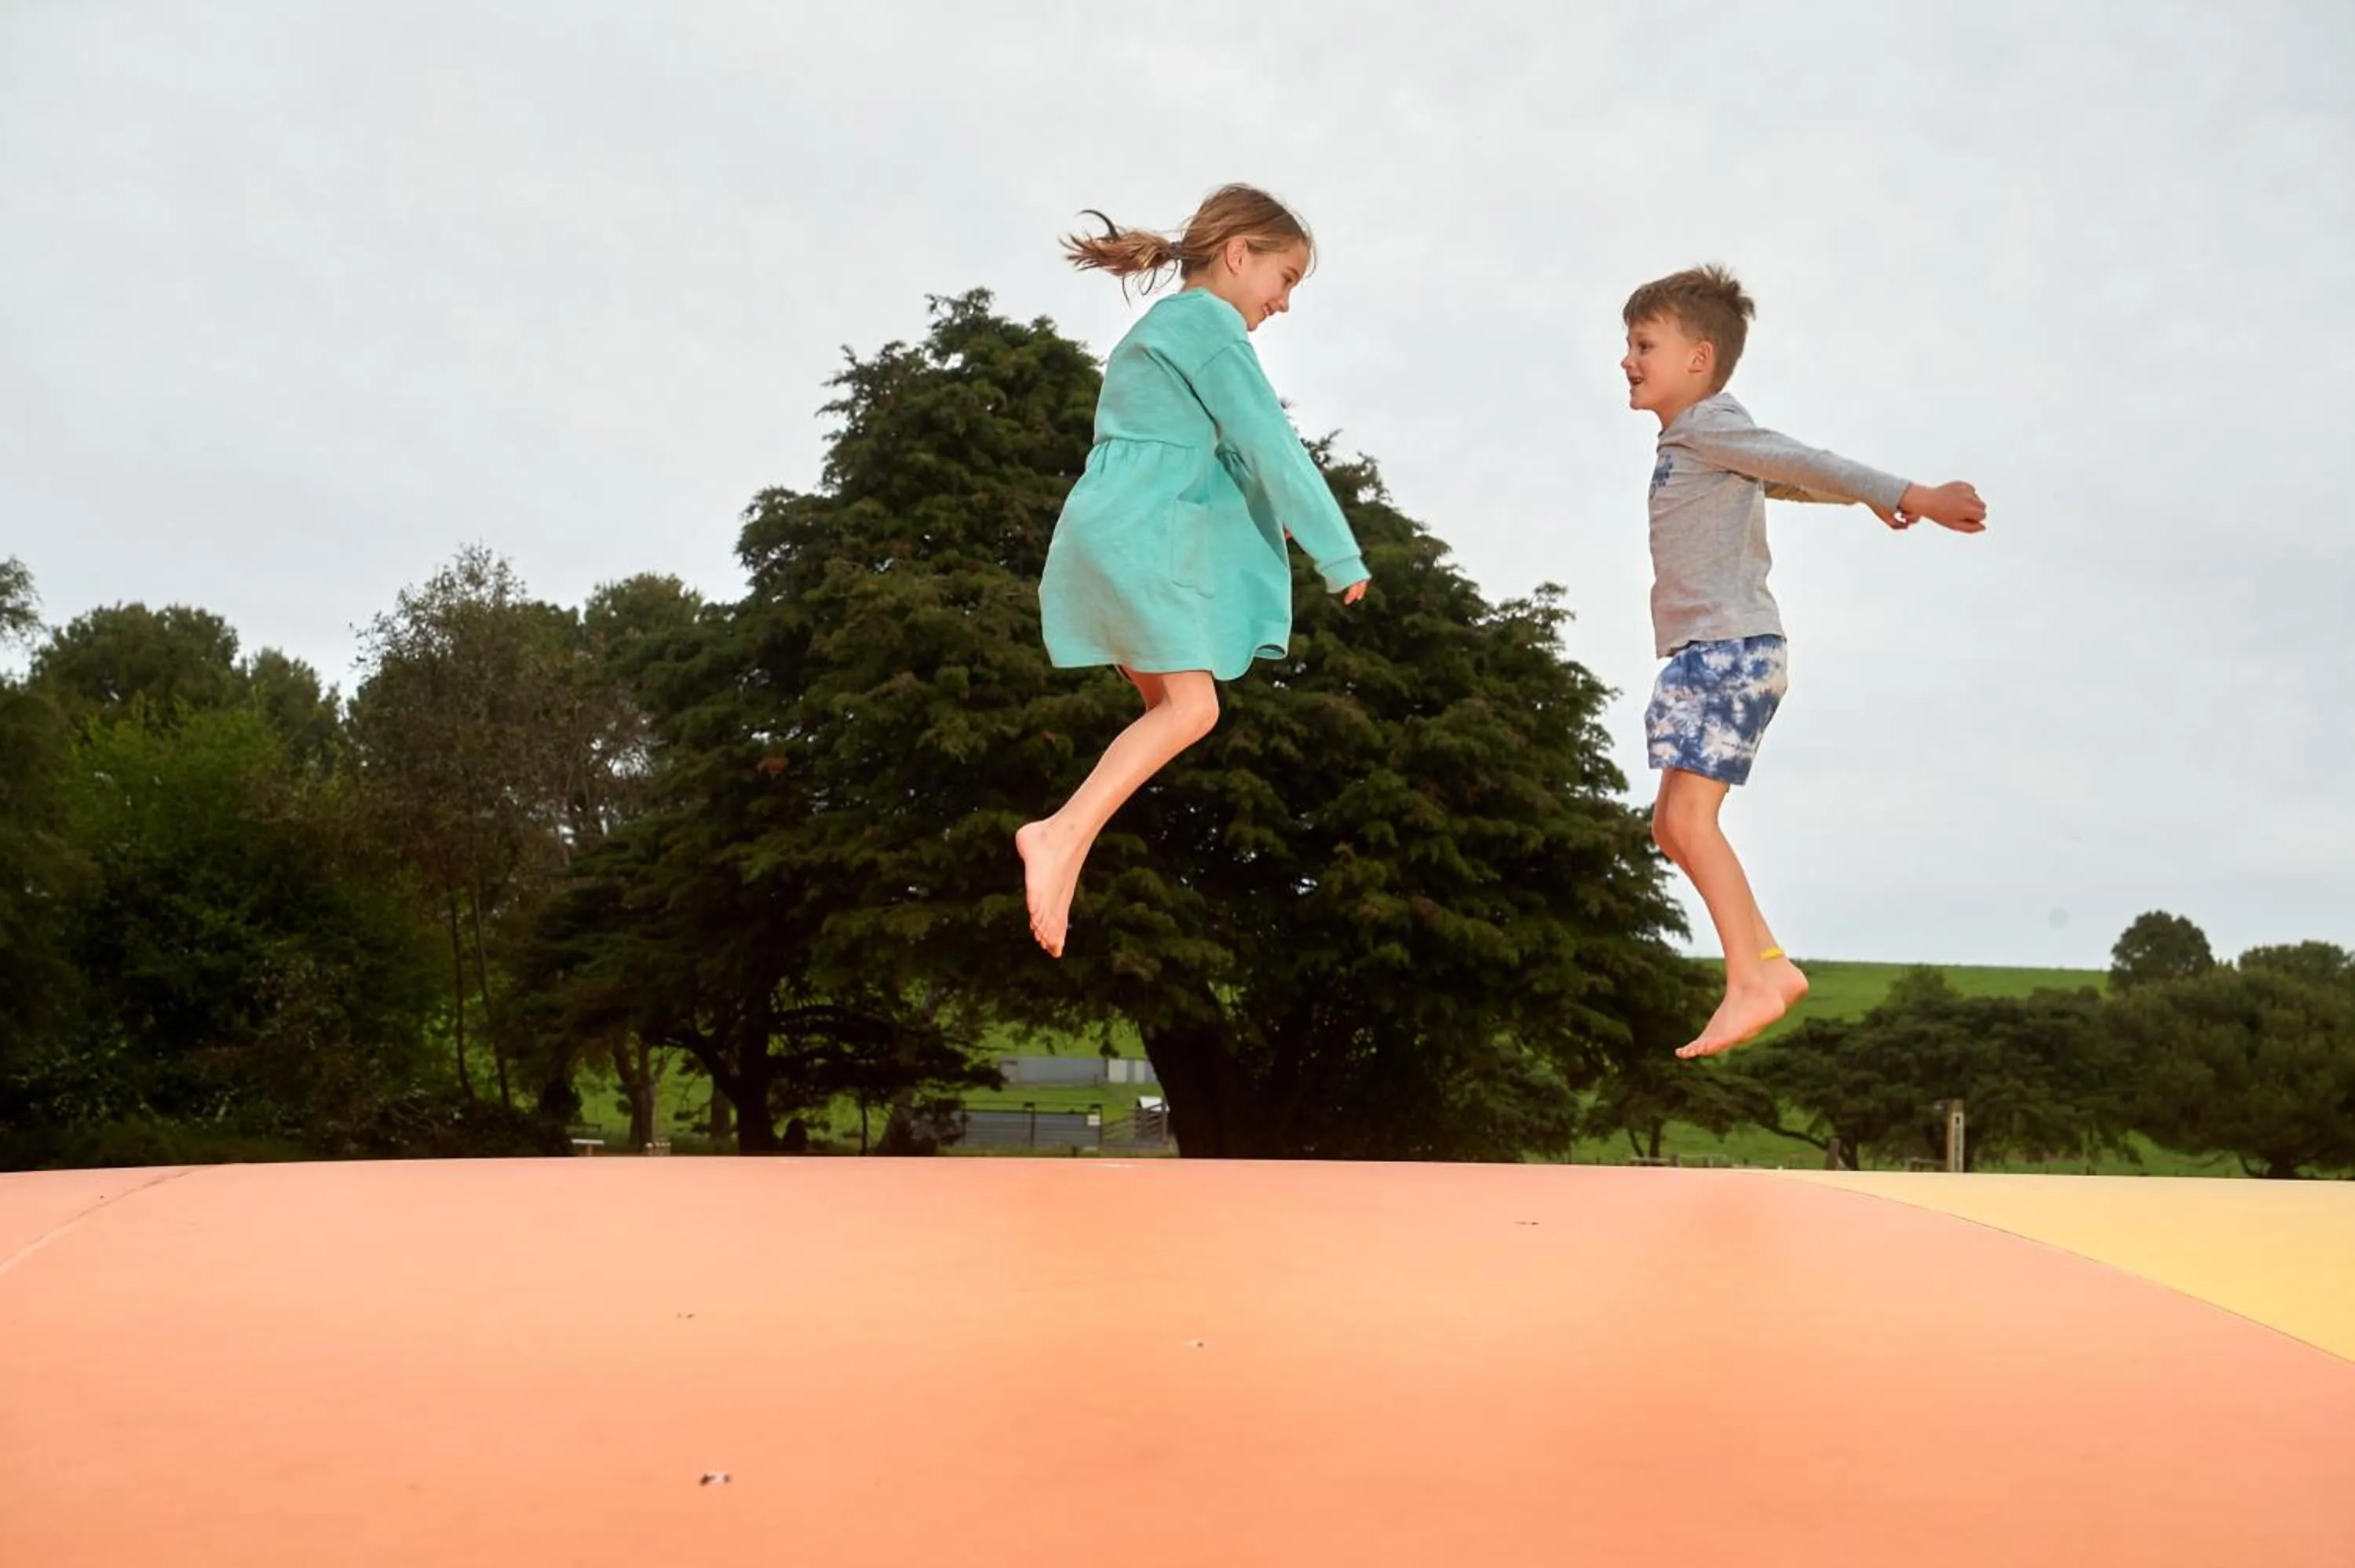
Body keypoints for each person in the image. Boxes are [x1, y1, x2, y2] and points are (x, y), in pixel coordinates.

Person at [1620, 264, 1987, 1056]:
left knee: (1689, 820)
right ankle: (1773, 965)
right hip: (1711, 652)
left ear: (1699, 358)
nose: (1627, 358)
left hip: (1727, 650)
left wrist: (1910, 493)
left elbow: (1802, 458)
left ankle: (1749, 982)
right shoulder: (1697, 442)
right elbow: (1786, 482)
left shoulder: (1713, 425)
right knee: (1669, 827)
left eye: (1644, 343)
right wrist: (1867, 498)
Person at [1019, 184, 1371, 957]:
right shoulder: (1211, 328)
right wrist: (1336, 549)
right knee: (1193, 711)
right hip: (1141, 539)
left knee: (1166, 714)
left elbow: (1200, 448)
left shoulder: (1162, 326)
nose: (1283, 304)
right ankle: (1056, 836)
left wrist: (1251, 504)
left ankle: (1067, 849)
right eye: (1284, 280)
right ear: (1239, 255)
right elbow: (1270, 443)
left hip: (1104, 532)